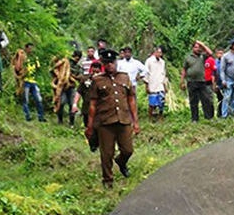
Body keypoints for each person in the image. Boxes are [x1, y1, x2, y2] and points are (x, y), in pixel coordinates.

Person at [85, 48, 140, 189]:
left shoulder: (124, 77)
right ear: (103, 63)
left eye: (112, 62)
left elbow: (131, 99)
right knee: (107, 153)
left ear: (116, 62)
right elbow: (92, 104)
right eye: (107, 63)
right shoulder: (97, 80)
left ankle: (121, 162)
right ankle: (108, 180)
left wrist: (135, 121)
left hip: (123, 119)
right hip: (105, 121)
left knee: (128, 150)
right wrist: (90, 126)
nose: (110, 65)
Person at [181, 40, 215, 121]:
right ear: (192, 48)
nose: (198, 49)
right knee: (193, 101)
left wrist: (202, 44)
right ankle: (195, 119)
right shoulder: (188, 57)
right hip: (191, 81)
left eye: (199, 47)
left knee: (206, 99)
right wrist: (182, 81)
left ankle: (208, 117)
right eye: (196, 47)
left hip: (202, 81)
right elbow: (184, 69)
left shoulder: (203, 56)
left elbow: (210, 53)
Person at [52, 50, 82, 126]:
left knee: (72, 105)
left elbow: (80, 77)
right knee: (61, 103)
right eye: (76, 57)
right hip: (62, 87)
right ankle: (60, 120)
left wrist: (72, 76)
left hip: (71, 87)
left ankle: (71, 122)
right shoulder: (65, 62)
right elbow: (54, 69)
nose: (76, 59)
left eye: (78, 58)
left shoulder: (78, 67)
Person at [21, 43, 45, 121]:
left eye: (32, 48)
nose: (31, 50)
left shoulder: (35, 58)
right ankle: (27, 116)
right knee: (25, 99)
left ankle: (41, 117)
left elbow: (38, 68)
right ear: (26, 48)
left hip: (33, 81)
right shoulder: (23, 57)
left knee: (38, 99)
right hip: (25, 81)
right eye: (29, 48)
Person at [144, 46, 168, 121]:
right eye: (158, 52)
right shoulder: (149, 61)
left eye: (160, 52)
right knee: (152, 103)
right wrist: (146, 86)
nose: (159, 54)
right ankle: (150, 118)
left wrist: (165, 85)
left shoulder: (162, 62)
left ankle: (160, 116)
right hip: (152, 84)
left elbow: (163, 74)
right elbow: (146, 73)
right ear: (155, 52)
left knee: (161, 102)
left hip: (160, 84)